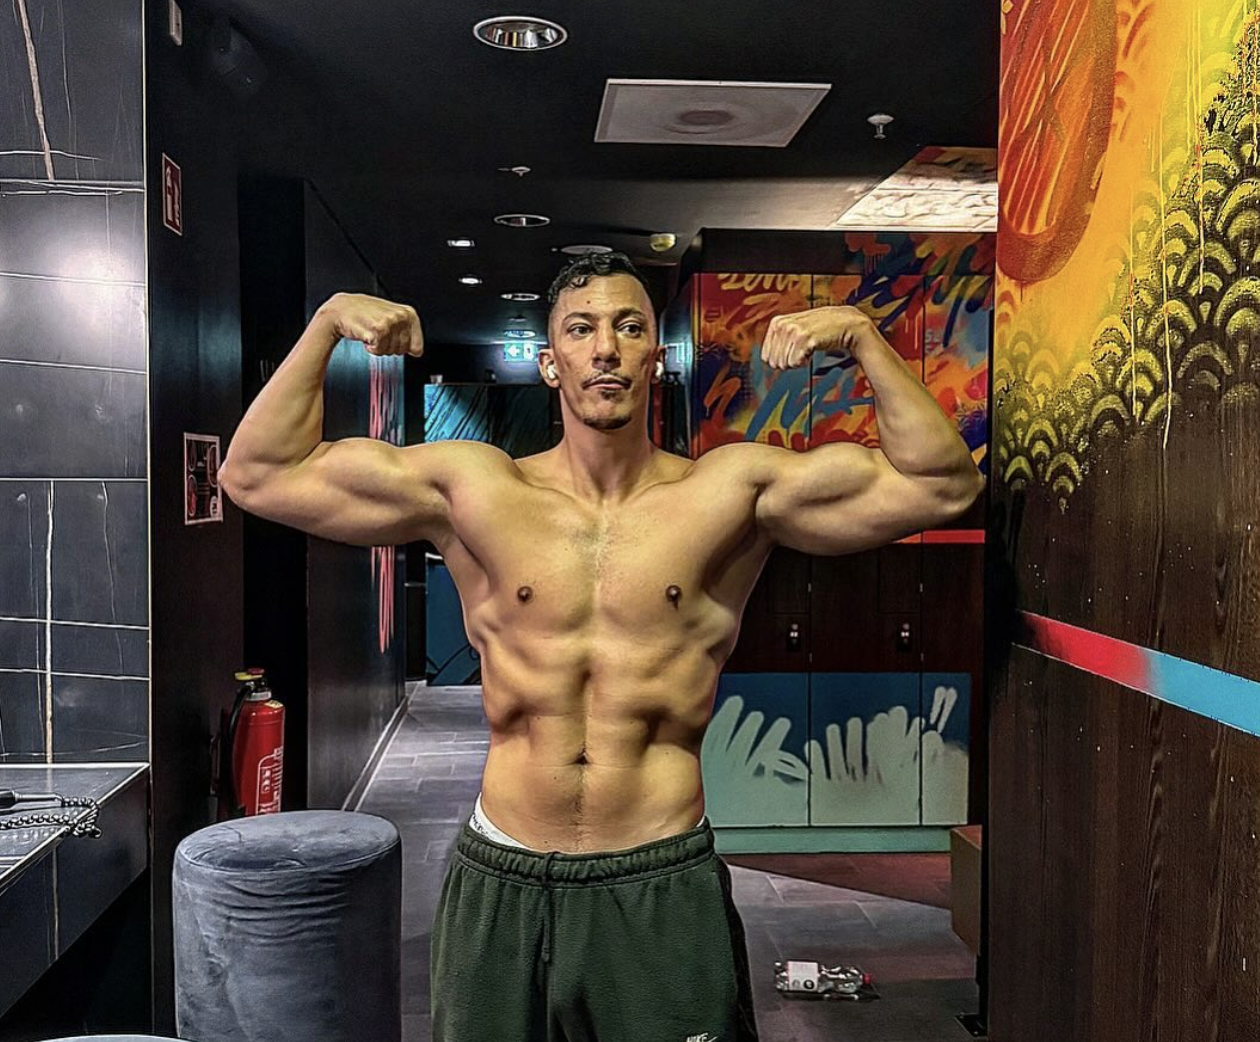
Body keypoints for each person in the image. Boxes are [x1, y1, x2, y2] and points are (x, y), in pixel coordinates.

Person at [219, 251, 983, 1042]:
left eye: (629, 327)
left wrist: (862, 336)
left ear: (657, 355)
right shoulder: (474, 488)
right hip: (505, 871)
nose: (607, 348)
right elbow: (258, 474)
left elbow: (942, 485)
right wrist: (326, 325)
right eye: (581, 330)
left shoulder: (728, 492)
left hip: (659, 873)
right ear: (551, 362)